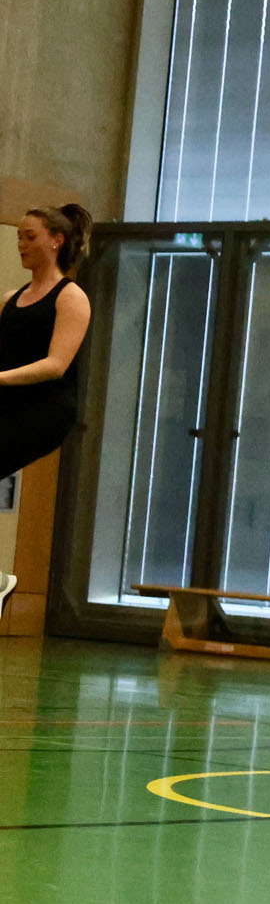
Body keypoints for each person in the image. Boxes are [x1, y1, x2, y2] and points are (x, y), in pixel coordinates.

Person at [0, 205, 95, 611]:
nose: (21, 244)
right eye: (18, 237)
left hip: (47, 409)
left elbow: (56, 365)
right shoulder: (9, 299)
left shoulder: (71, 297)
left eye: (30, 237)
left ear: (56, 241)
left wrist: (1, 378)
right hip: (8, 404)